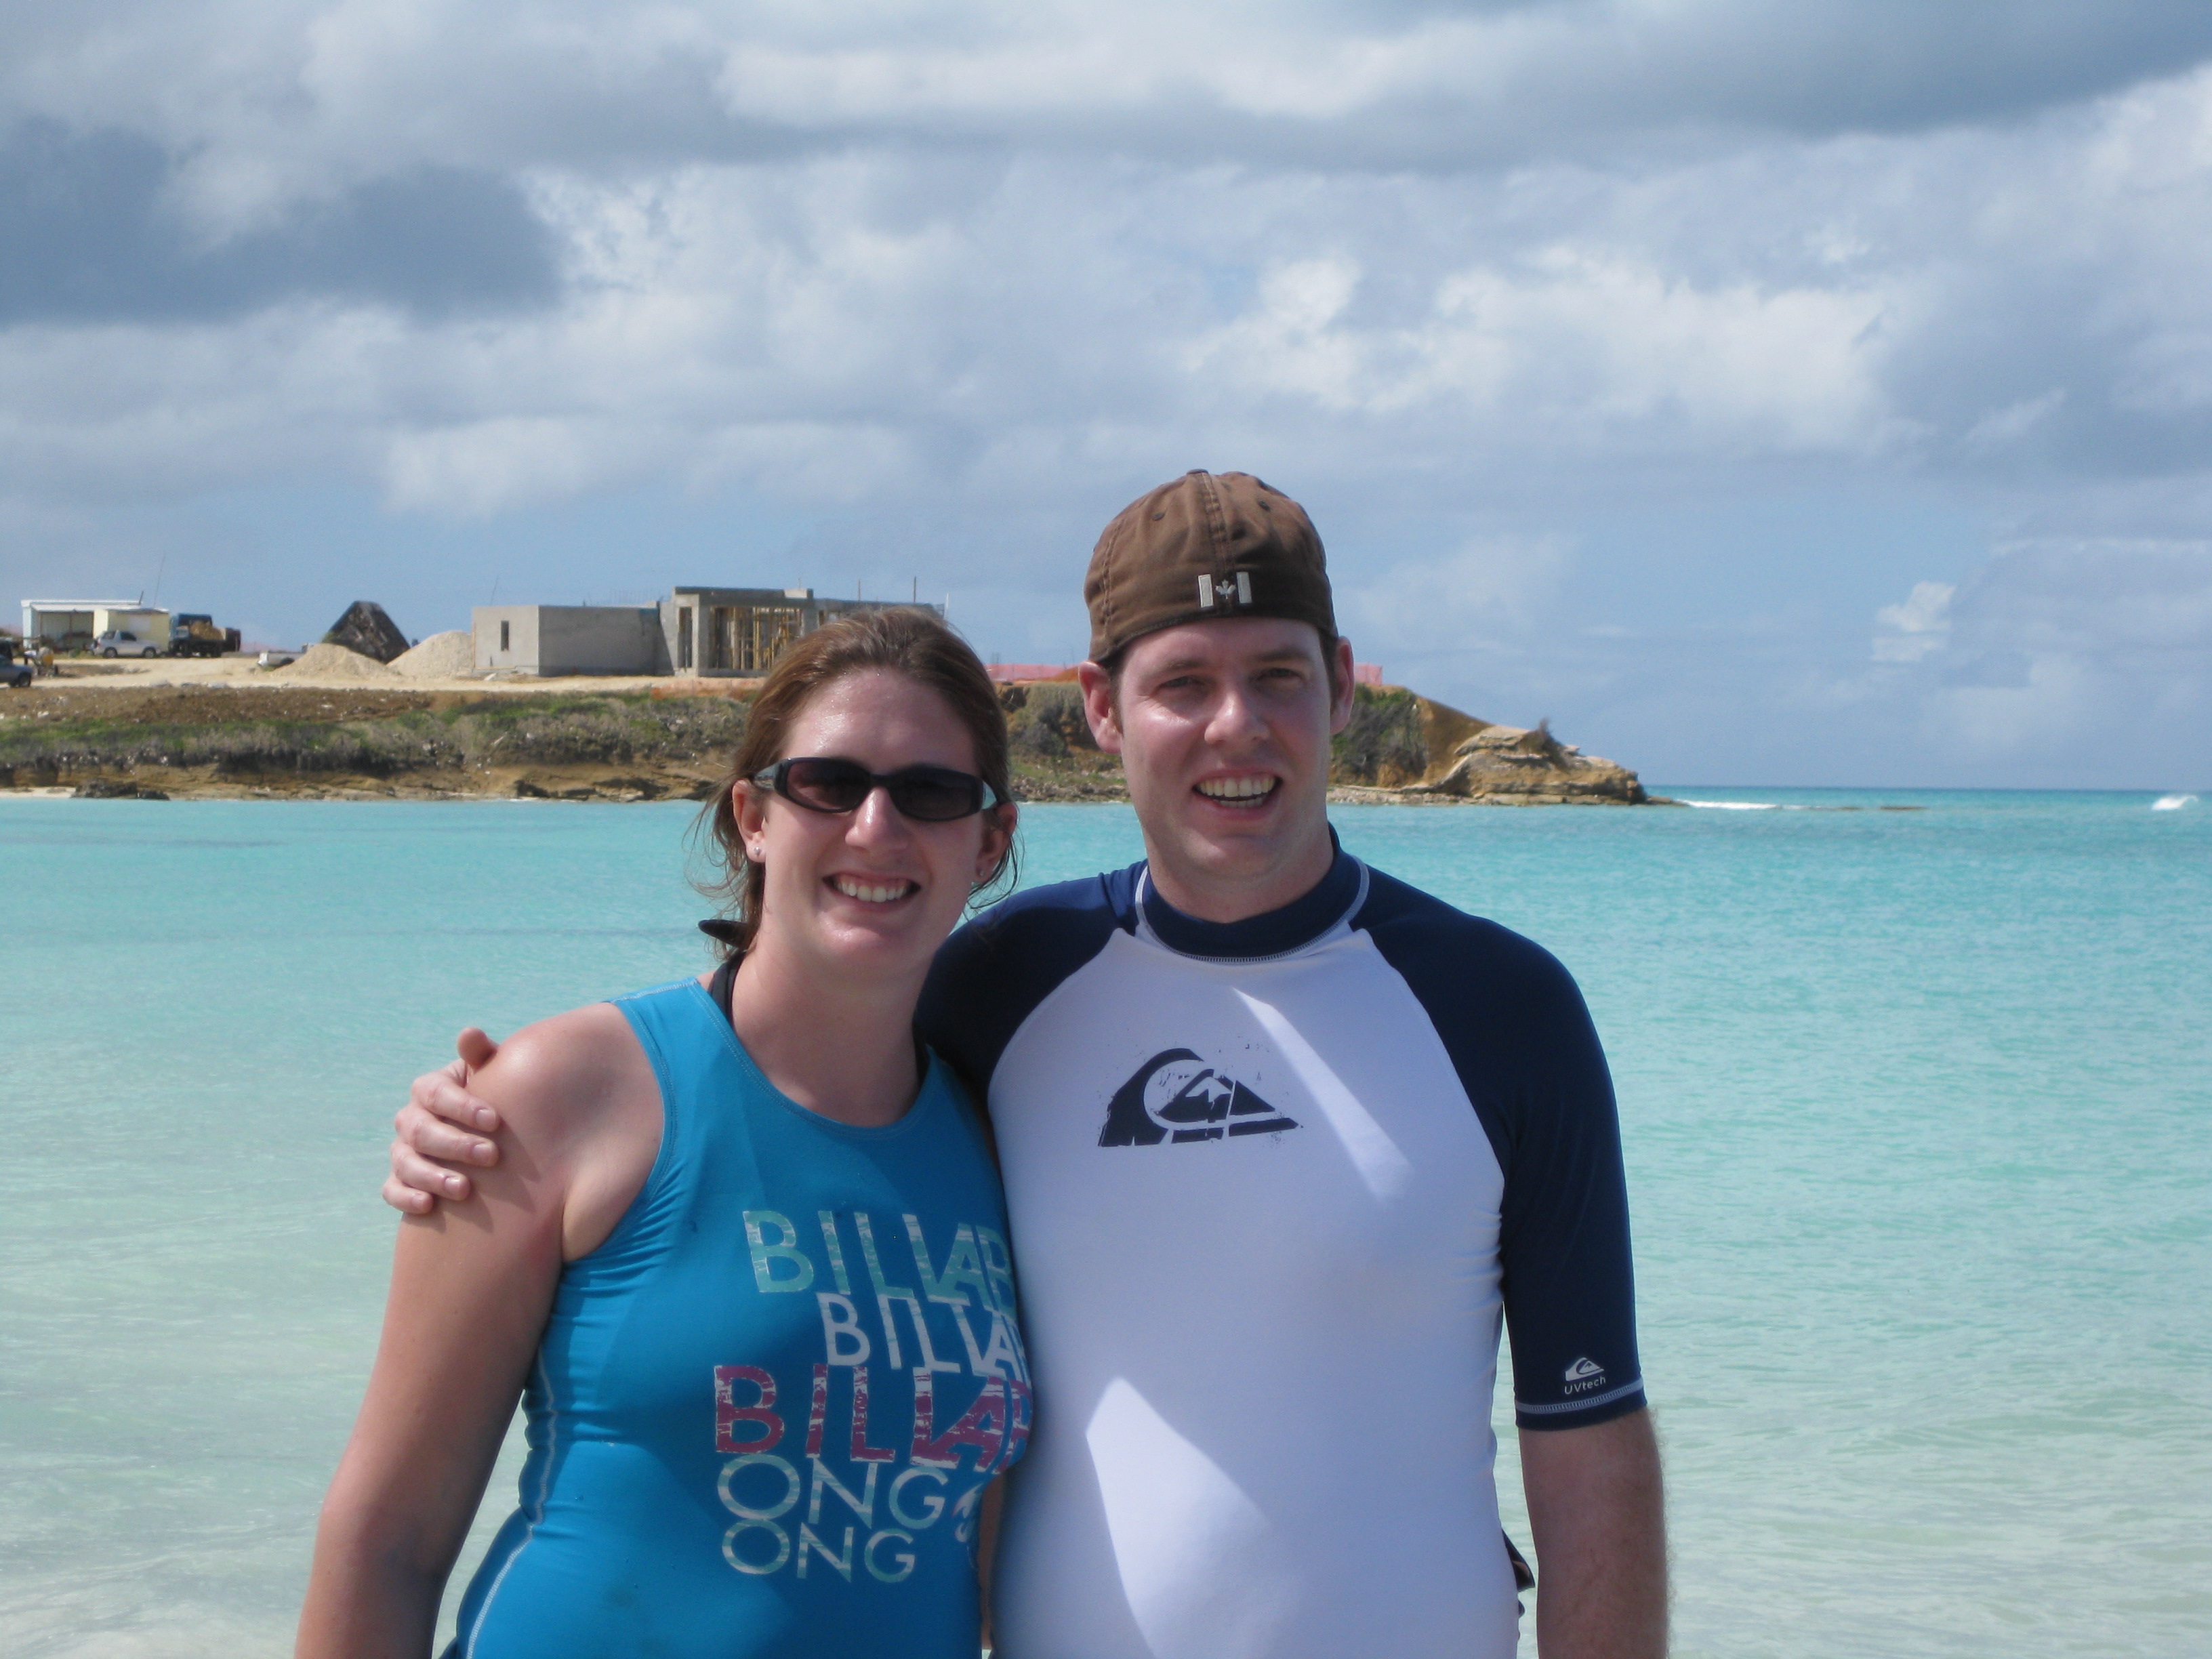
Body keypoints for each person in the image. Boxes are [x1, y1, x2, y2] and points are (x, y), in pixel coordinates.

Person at [390, 471, 1668, 1658]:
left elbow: (1591, 1438)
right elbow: (774, 1075)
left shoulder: (1503, 1009)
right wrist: (505, 1119)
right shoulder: (1001, 987)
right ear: (1101, 709)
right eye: (1183, 684)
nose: (1236, 726)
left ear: (1341, 687)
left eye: (1277, 676)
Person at [301, 609, 1029, 1658]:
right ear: (754, 817)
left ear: (989, 841)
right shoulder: (564, 1092)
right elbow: (386, 1538)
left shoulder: (1007, 1140)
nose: (876, 827)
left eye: (931, 793)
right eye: (828, 784)